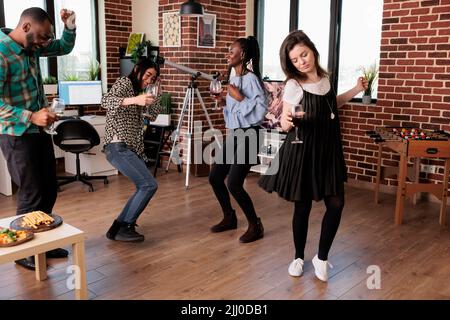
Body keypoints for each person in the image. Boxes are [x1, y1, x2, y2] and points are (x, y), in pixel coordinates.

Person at [259, 30, 368, 281]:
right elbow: (286, 122)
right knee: (303, 206)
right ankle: (298, 257)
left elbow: (332, 103)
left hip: (328, 149)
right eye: (295, 60)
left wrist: (355, 89)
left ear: (313, 50)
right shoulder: (294, 85)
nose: (301, 62)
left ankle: (322, 257)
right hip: (303, 150)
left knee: (337, 204)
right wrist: (285, 120)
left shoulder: (326, 78)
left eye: (303, 55)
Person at [0, 7, 76, 270]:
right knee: (31, 193)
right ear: (26, 28)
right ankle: (24, 250)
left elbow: (63, 47)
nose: (46, 44)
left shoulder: (33, 46)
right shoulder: (1, 53)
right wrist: (31, 116)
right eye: (43, 37)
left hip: (39, 132)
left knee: (48, 189)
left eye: (47, 38)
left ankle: (42, 242)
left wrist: (70, 26)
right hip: (17, 134)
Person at [209, 36, 268, 243]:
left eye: (231, 51)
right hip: (235, 133)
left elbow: (261, 112)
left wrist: (239, 98)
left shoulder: (252, 79)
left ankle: (255, 224)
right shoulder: (233, 79)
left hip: (251, 134)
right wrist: (225, 100)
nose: (228, 54)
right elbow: (237, 111)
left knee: (234, 183)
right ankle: (229, 217)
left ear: (242, 54)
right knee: (215, 177)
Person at [102, 58, 161, 242]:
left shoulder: (140, 92)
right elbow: (106, 101)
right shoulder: (124, 83)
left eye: (154, 78)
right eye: (148, 75)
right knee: (149, 185)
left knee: (144, 186)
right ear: (137, 70)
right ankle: (124, 225)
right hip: (117, 146)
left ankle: (117, 228)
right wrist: (137, 99)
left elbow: (152, 115)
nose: (149, 80)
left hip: (128, 149)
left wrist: (155, 96)